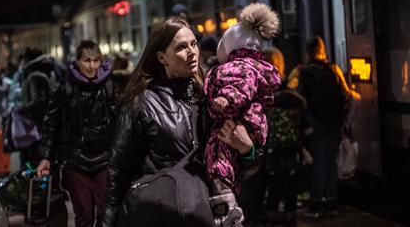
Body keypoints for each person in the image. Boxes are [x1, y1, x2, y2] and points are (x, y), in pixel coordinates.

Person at [102, 18, 258, 227]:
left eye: (194, 44)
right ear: (161, 57)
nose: (192, 52)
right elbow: (118, 173)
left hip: (210, 213)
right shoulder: (140, 104)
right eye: (181, 47)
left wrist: (248, 150)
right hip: (162, 213)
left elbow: (238, 167)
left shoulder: (213, 99)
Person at [203, 3, 281, 224]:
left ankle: (226, 207)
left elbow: (238, 87)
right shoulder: (255, 68)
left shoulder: (236, 70)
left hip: (235, 124)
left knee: (219, 161)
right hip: (247, 126)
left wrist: (225, 99)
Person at [36, 40, 114, 227]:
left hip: (104, 158)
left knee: (106, 212)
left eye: (96, 60)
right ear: (77, 61)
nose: (92, 66)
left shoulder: (110, 85)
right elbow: (50, 123)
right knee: (84, 214)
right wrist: (45, 157)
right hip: (74, 160)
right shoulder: (64, 86)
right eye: (87, 60)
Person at [299, 36, 360, 218]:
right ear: (323, 50)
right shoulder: (334, 69)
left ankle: (317, 203)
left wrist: (307, 124)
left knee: (318, 163)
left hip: (316, 125)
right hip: (334, 124)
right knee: (331, 162)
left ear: (308, 51)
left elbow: (302, 100)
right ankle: (332, 201)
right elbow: (346, 95)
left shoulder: (307, 72)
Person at [263, 47, 307, 226]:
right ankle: (290, 214)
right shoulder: (288, 88)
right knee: (291, 180)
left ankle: (271, 214)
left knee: (274, 181)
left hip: (272, 143)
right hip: (292, 143)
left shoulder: (262, 87)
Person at [16, 47, 58, 167]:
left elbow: (39, 100)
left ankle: (30, 184)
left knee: (30, 160)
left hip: (34, 126)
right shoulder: (44, 73)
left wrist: (21, 109)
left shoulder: (35, 76)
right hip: (39, 125)